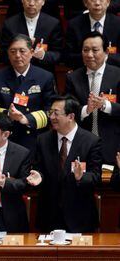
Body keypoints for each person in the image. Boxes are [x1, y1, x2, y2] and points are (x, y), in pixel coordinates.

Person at [27, 95, 102, 232]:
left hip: (80, 216)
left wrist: (81, 177)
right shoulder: (43, 140)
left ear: (71, 116)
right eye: (51, 112)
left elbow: (96, 176)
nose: (52, 117)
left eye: (56, 113)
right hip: (49, 216)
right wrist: (38, 176)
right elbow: (39, 169)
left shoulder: (91, 141)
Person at [0, 34, 57, 154]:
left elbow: (51, 111)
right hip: (6, 137)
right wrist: (8, 114)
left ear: (31, 52)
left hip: (35, 137)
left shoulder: (45, 77)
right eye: (13, 51)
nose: (17, 55)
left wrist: (26, 119)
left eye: (22, 51)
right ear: (8, 54)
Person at [65, 32, 120, 165]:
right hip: (82, 145)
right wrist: (86, 109)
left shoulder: (118, 75)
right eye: (85, 50)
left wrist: (105, 105)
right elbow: (67, 108)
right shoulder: (73, 78)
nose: (89, 55)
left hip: (113, 144)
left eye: (95, 50)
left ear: (106, 51)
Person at [0, 0, 63, 74]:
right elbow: (3, 55)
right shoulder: (10, 24)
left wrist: (43, 55)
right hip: (16, 74)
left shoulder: (53, 24)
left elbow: (58, 55)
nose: (31, 3)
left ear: (43, 1)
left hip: (44, 75)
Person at [65, 0, 120, 69]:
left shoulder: (118, 24)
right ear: (85, 2)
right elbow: (68, 57)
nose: (97, 3)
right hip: (83, 71)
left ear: (108, 1)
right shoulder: (74, 25)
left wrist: (104, 57)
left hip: (113, 73)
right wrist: (90, 58)